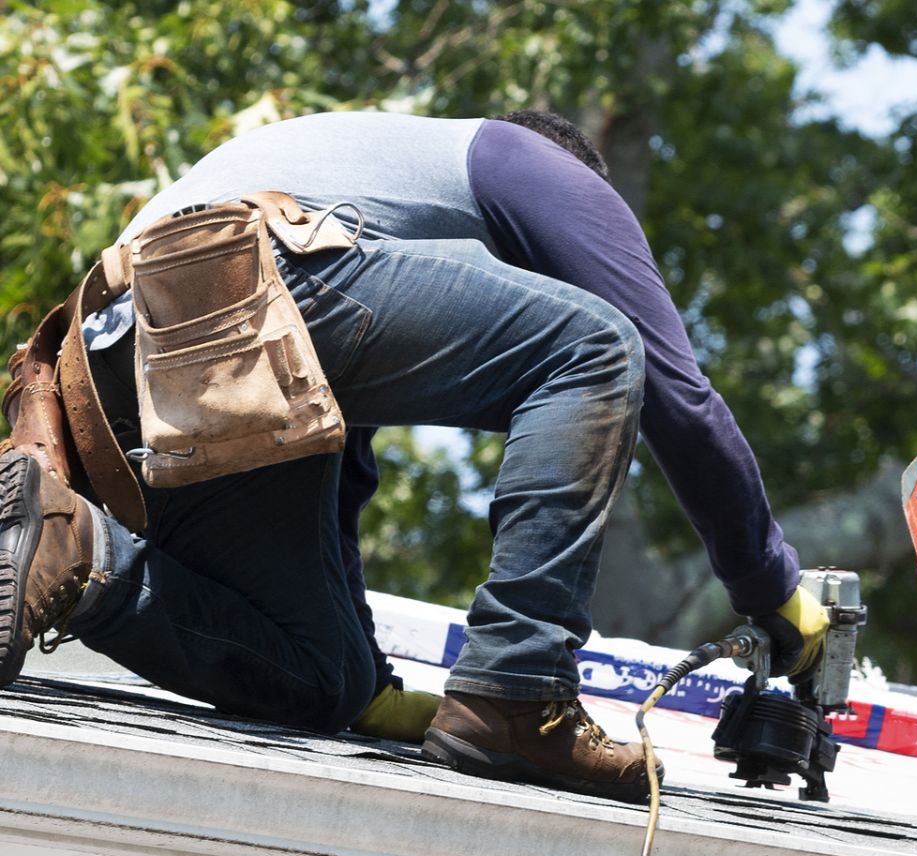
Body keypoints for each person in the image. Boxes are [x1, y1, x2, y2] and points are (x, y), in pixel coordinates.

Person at [0, 110, 827, 802]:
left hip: (110, 363)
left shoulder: (370, 184)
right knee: (600, 348)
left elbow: (332, 479)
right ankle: (519, 691)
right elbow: (682, 401)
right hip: (246, 276)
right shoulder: (540, 166)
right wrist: (775, 593)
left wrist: (377, 689)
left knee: (324, 679)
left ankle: (77, 550)